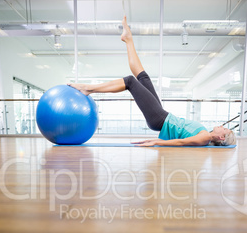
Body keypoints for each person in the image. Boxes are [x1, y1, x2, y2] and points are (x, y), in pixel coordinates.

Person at [68, 17, 236, 147]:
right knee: (143, 78)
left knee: (130, 82)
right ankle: (128, 39)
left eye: (225, 128)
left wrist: (156, 142)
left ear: (221, 137)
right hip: (163, 116)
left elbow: (180, 143)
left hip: (160, 119)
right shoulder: (205, 134)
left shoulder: (205, 137)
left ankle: (88, 88)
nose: (221, 125)